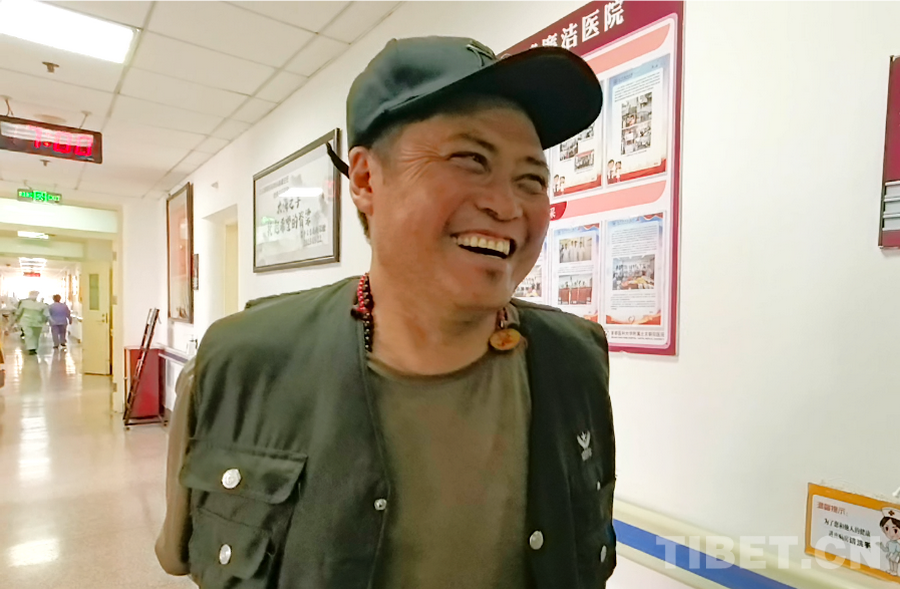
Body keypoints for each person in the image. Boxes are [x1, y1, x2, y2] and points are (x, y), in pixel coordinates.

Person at [156, 36, 615, 589]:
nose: (507, 205)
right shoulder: (240, 361)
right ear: (366, 180)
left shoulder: (576, 361)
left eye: (532, 179)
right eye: (471, 160)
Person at [15, 291, 49, 355]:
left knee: (36, 335)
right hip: (27, 321)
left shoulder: (42, 305)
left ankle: (34, 347)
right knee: (29, 334)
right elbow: (19, 312)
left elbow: (45, 314)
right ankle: (31, 348)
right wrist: (16, 319)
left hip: (37, 322)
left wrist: (44, 320)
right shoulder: (24, 303)